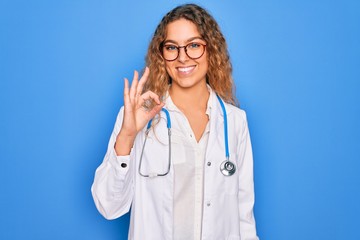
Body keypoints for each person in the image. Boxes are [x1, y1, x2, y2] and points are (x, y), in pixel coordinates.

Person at [91, 3, 259, 240]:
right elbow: (109, 206)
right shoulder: (138, 117)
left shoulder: (235, 121)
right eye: (172, 47)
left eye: (193, 46)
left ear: (211, 49)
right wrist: (127, 136)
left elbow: (244, 218)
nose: (182, 57)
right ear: (162, 54)